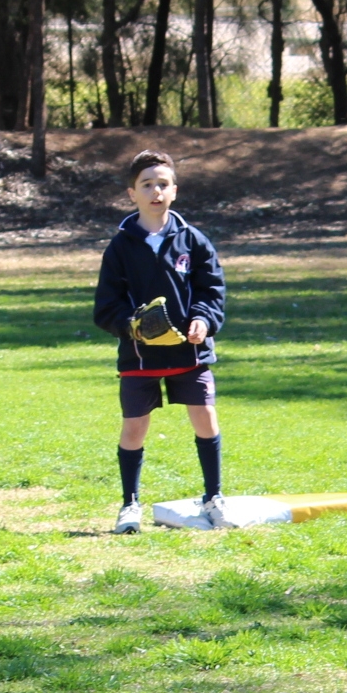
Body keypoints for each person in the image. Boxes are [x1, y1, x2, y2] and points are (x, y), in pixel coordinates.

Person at [92, 150, 226, 532]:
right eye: (146, 185)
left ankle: (213, 496)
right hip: (139, 358)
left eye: (162, 184)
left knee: (206, 419)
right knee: (134, 427)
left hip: (190, 353)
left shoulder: (193, 240)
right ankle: (129, 504)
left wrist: (203, 319)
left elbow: (211, 290)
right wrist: (131, 326)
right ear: (132, 194)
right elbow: (106, 307)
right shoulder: (120, 247)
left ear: (174, 191)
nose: (155, 191)